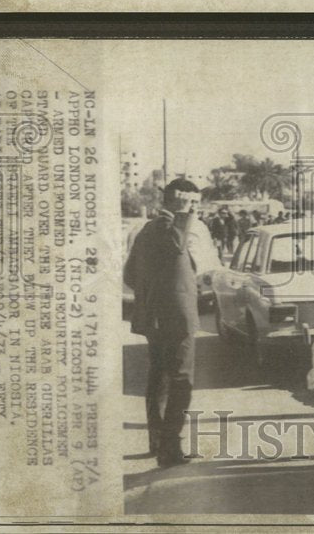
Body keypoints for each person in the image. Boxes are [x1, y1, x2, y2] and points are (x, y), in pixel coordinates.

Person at [123, 178, 208, 467]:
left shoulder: (147, 230)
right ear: (177, 201)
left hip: (156, 318)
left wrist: (155, 295)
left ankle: (157, 440)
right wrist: (184, 214)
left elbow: (130, 276)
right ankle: (169, 449)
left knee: (158, 378)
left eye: (195, 204)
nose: (195, 209)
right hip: (175, 319)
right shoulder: (168, 228)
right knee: (182, 381)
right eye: (191, 203)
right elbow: (175, 245)